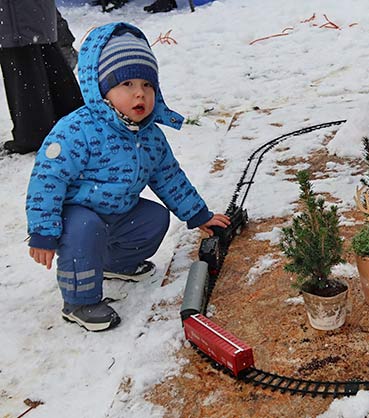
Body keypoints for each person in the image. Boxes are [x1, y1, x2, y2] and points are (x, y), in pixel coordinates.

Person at [25, 22, 230, 332]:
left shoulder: (150, 136)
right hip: (78, 215)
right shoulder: (77, 130)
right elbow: (47, 180)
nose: (140, 94)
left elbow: (169, 177)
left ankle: (115, 264)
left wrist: (198, 214)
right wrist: (43, 231)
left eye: (147, 85)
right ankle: (79, 301)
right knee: (85, 228)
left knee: (154, 218)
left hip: (120, 213)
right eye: (127, 84)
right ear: (101, 87)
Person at [0, 1, 84, 155]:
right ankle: (72, 118)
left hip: (16, 19)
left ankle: (34, 133)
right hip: (34, 17)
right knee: (43, 49)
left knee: (21, 54)